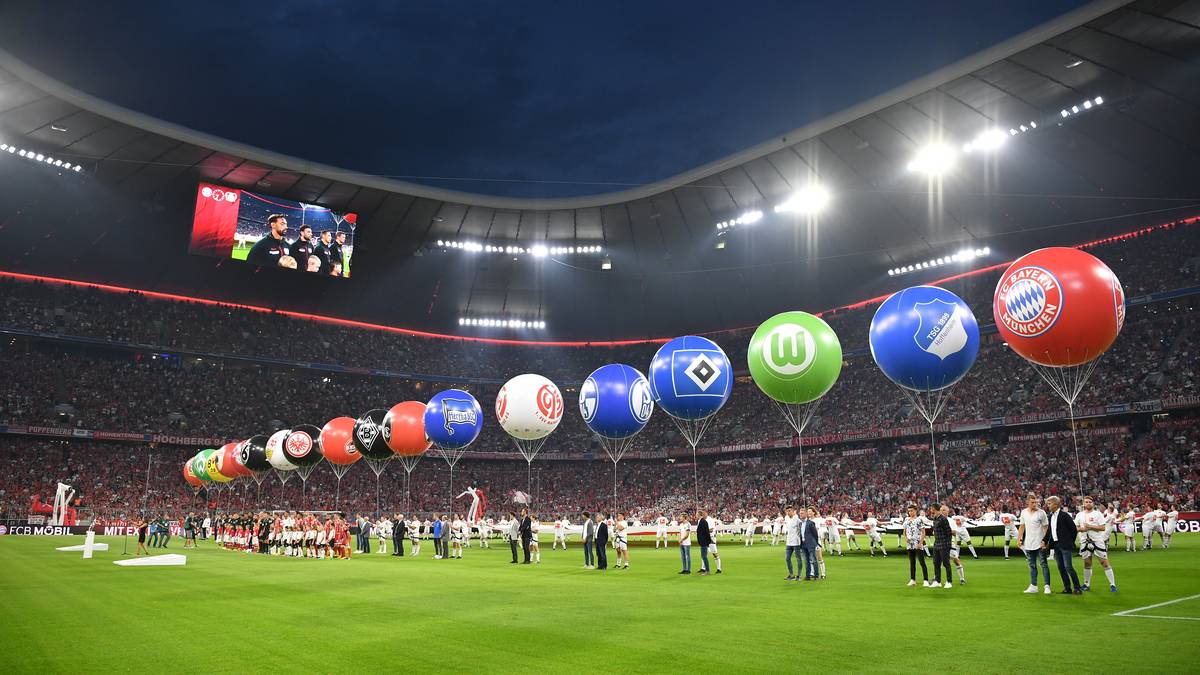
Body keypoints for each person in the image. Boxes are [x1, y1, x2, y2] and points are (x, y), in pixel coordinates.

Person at [1075, 496, 1118, 592]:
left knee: (1104, 563)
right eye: (1086, 502)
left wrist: (1089, 526)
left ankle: (1112, 584)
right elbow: (1076, 528)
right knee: (1087, 563)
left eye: (1090, 501)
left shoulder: (1098, 514)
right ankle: (1086, 584)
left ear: (1093, 503)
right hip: (1084, 541)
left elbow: (1102, 528)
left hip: (1097, 541)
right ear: (1083, 504)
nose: (1088, 503)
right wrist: (1082, 529)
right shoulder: (1079, 515)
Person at [1044, 496, 1082, 594]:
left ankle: (1077, 588)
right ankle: (1067, 588)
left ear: (1056, 504)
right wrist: (1044, 541)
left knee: (1068, 567)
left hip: (1065, 545)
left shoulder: (1064, 515)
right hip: (1056, 545)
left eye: (1049, 503)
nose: (1048, 505)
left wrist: (1069, 541)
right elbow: (1049, 531)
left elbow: (1073, 529)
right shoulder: (1051, 516)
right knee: (1061, 567)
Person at [1017, 493, 1052, 594]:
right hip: (1028, 543)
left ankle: (1047, 586)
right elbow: (1022, 527)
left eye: (1036, 502)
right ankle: (1033, 586)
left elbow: (1046, 528)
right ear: (1027, 502)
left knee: (1044, 564)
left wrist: (1045, 541)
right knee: (1032, 565)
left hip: (1040, 543)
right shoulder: (1023, 512)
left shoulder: (1042, 513)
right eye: (1032, 502)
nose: (1035, 504)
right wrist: (1019, 539)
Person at [902, 504, 930, 587]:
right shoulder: (906, 520)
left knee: (922, 562)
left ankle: (926, 580)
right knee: (912, 563)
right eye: (909, 511)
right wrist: (905, 538)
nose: (910, 512)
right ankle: (913, 580)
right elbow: (904, 531)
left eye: (912, 511)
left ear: (915, 511)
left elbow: (923, 532)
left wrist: (920, 543)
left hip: (917, 543)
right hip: (909, 544)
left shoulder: (919, 520)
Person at [799, 507, 820, 581]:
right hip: (803, 544)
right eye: (800, 513)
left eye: (802, 513)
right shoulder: (800, 524)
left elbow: (815, 534)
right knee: (806, 561)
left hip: (811, 544)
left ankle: (816, 575)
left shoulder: (811, 523)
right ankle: (808, 576)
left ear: (805, 514)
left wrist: (815, 543)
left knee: (814, 560)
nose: (800, 515)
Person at [783, 506, 803, 580]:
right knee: (787, 558)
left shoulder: (797, 519)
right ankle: (791, 574)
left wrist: (801, 539)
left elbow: (801, 529)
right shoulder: (787, 518)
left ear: (793, 511)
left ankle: (799, 575)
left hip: (796, 542)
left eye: (789, 511)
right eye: (787, 511)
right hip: (789, 542)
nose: (788, 512)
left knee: (798, 558)